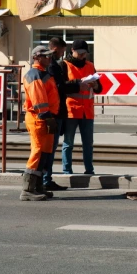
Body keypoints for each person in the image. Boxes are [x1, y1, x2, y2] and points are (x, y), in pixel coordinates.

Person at [44, 37, 90, 190]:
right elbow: (59, 86)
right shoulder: (55, 66)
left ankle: (46, 179)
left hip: (74, 111)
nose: (62, 54)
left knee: (51, 147)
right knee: (51, 147)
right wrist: (78, 84)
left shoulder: (53, 66)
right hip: (61, 111)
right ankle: (45, 179)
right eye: (62, 51)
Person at [20, 46, 59, 201]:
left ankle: (37, 187)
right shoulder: (35, 74)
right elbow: (39, 100)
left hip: (45, 118)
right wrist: (47, 117)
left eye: (50, 56)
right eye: (47, 56)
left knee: (45, 153)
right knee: (37, 151)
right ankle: (27, 190)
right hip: (39, 118)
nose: (50, 58)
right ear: (37, 57)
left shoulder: (43, 73)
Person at [61, 39, 102, 175]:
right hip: (71, 110)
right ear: (72, 51)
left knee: (88, 144)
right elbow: (62, 86)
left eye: (85, 53)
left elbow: (99, 87)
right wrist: (78, 83)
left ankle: (89, 170)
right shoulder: (64, 65)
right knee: (68, 143)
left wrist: (96, 86)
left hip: (87, 111)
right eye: (80, 53)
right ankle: (67, 170)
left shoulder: (90, 65)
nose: (83, 56)